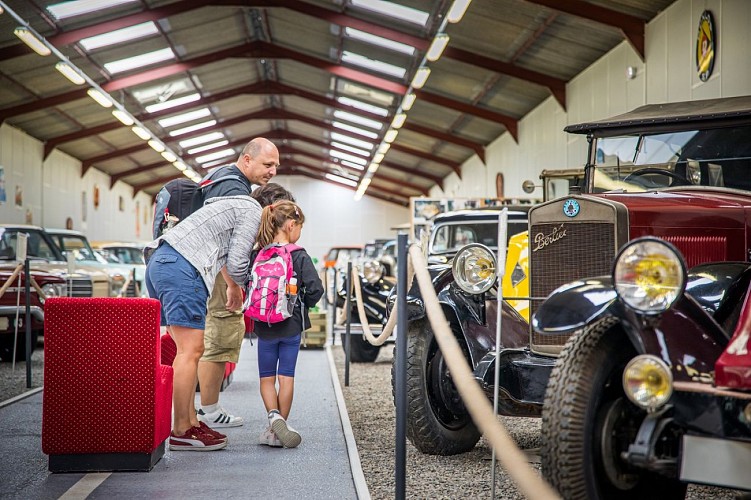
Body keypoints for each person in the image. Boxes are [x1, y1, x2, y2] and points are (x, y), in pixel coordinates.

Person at [144, 194, 261, 451]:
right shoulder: (253, 211)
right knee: (191, 350)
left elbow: (225, 260)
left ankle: (190, 421)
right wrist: (258, 289)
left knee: (185, 351)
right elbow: (238, 262)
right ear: (270, 208)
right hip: (181, 268)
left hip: (161, 262)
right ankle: (181, 430)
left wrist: (232, 285)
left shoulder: (225, 205)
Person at [195, 138, 285, 430]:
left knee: (214, 339)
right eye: (267, 164)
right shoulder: (234, 188)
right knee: (219, 338)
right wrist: (233, 284)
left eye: (276, 166)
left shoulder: (224, 178)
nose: (272, 171)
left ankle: (205, 409)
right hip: (220, 276)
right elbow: (222, 240)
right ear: (247, 160)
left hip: (210, 271)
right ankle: (208, 410)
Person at [253, 201, 323, 448]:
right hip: (290, 325)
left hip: (264, 326)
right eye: (299, 228)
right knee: (287, 378)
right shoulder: (299, 254)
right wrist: (302, 303)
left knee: (266, 379)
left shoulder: (258, 253)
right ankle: (280, 427)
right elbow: (316, 289)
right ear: (291, 224)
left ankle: (272, 420)